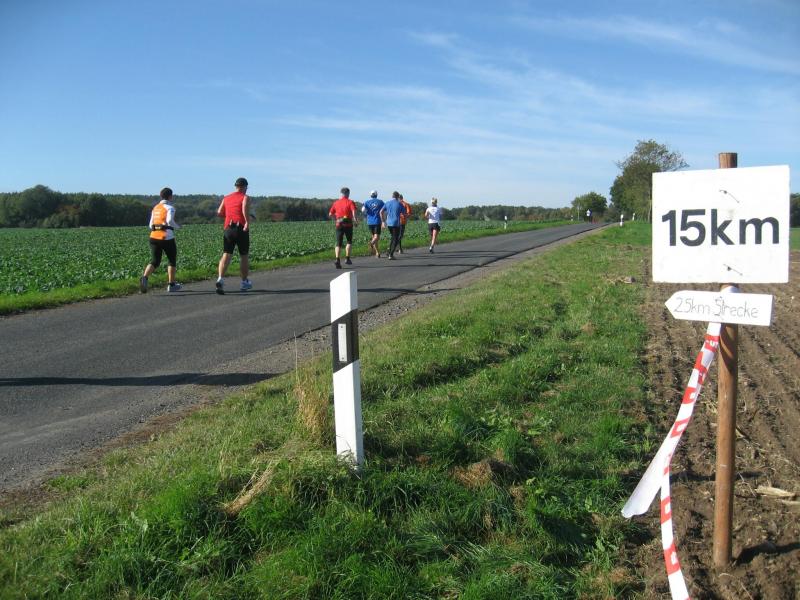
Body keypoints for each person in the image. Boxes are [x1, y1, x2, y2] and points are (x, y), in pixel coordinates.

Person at [140, 187, 181, 293]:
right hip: (167, 237)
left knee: (155, 261)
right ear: (170, 196)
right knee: (171, 260)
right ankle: (171, 285)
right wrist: (178, 227)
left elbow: (150, 225)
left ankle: (144, 278)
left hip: (153, 237)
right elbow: (169, 221)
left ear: (161, 196)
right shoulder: (170, 208)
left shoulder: (155, 208)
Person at [215, 177, 252, 294]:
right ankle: (244, 282)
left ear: (236, 186)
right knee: (244, 255)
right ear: (245, 187)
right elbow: (244, 208)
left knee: (226, 254)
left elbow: (219, 212)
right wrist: (247, 222)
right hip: (240, 228)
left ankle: (220, 279)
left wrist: (228, 215)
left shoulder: (226, 198)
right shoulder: (245, 197)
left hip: (228, 229)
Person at [329, 187, 358, 268]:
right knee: (349, 242)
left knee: (338, 243)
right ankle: (347, 258)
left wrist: (336, 219)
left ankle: (337, 260)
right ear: (348, 193)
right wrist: (355, 221)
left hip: (339, 224)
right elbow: (353, 212)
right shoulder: (350, 202)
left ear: (341, 193)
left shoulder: (336, 203)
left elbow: (330, 214)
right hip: (348, 225)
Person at [382, 191, 406, 260]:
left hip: (388, 223)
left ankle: (389, 251)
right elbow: (404, 213)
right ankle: (391, 254)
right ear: (398, 197)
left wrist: (383, 221)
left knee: (393, 237)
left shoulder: (387, 203)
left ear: (392, 196)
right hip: (396, 223)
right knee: (396, 239)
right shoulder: (399, 204)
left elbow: (381, 212)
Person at [361, 190, 385, 258]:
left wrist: (367, 213)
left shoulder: (366, 202)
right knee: (376, 237)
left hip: (369, 222)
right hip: (377, 221)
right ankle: (371, 244)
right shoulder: (380, 202)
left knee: (374, 237)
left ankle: (377, 253)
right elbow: (384, 210)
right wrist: (384, 220)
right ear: (376, 194)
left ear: (370, 195)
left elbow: (363, 210)